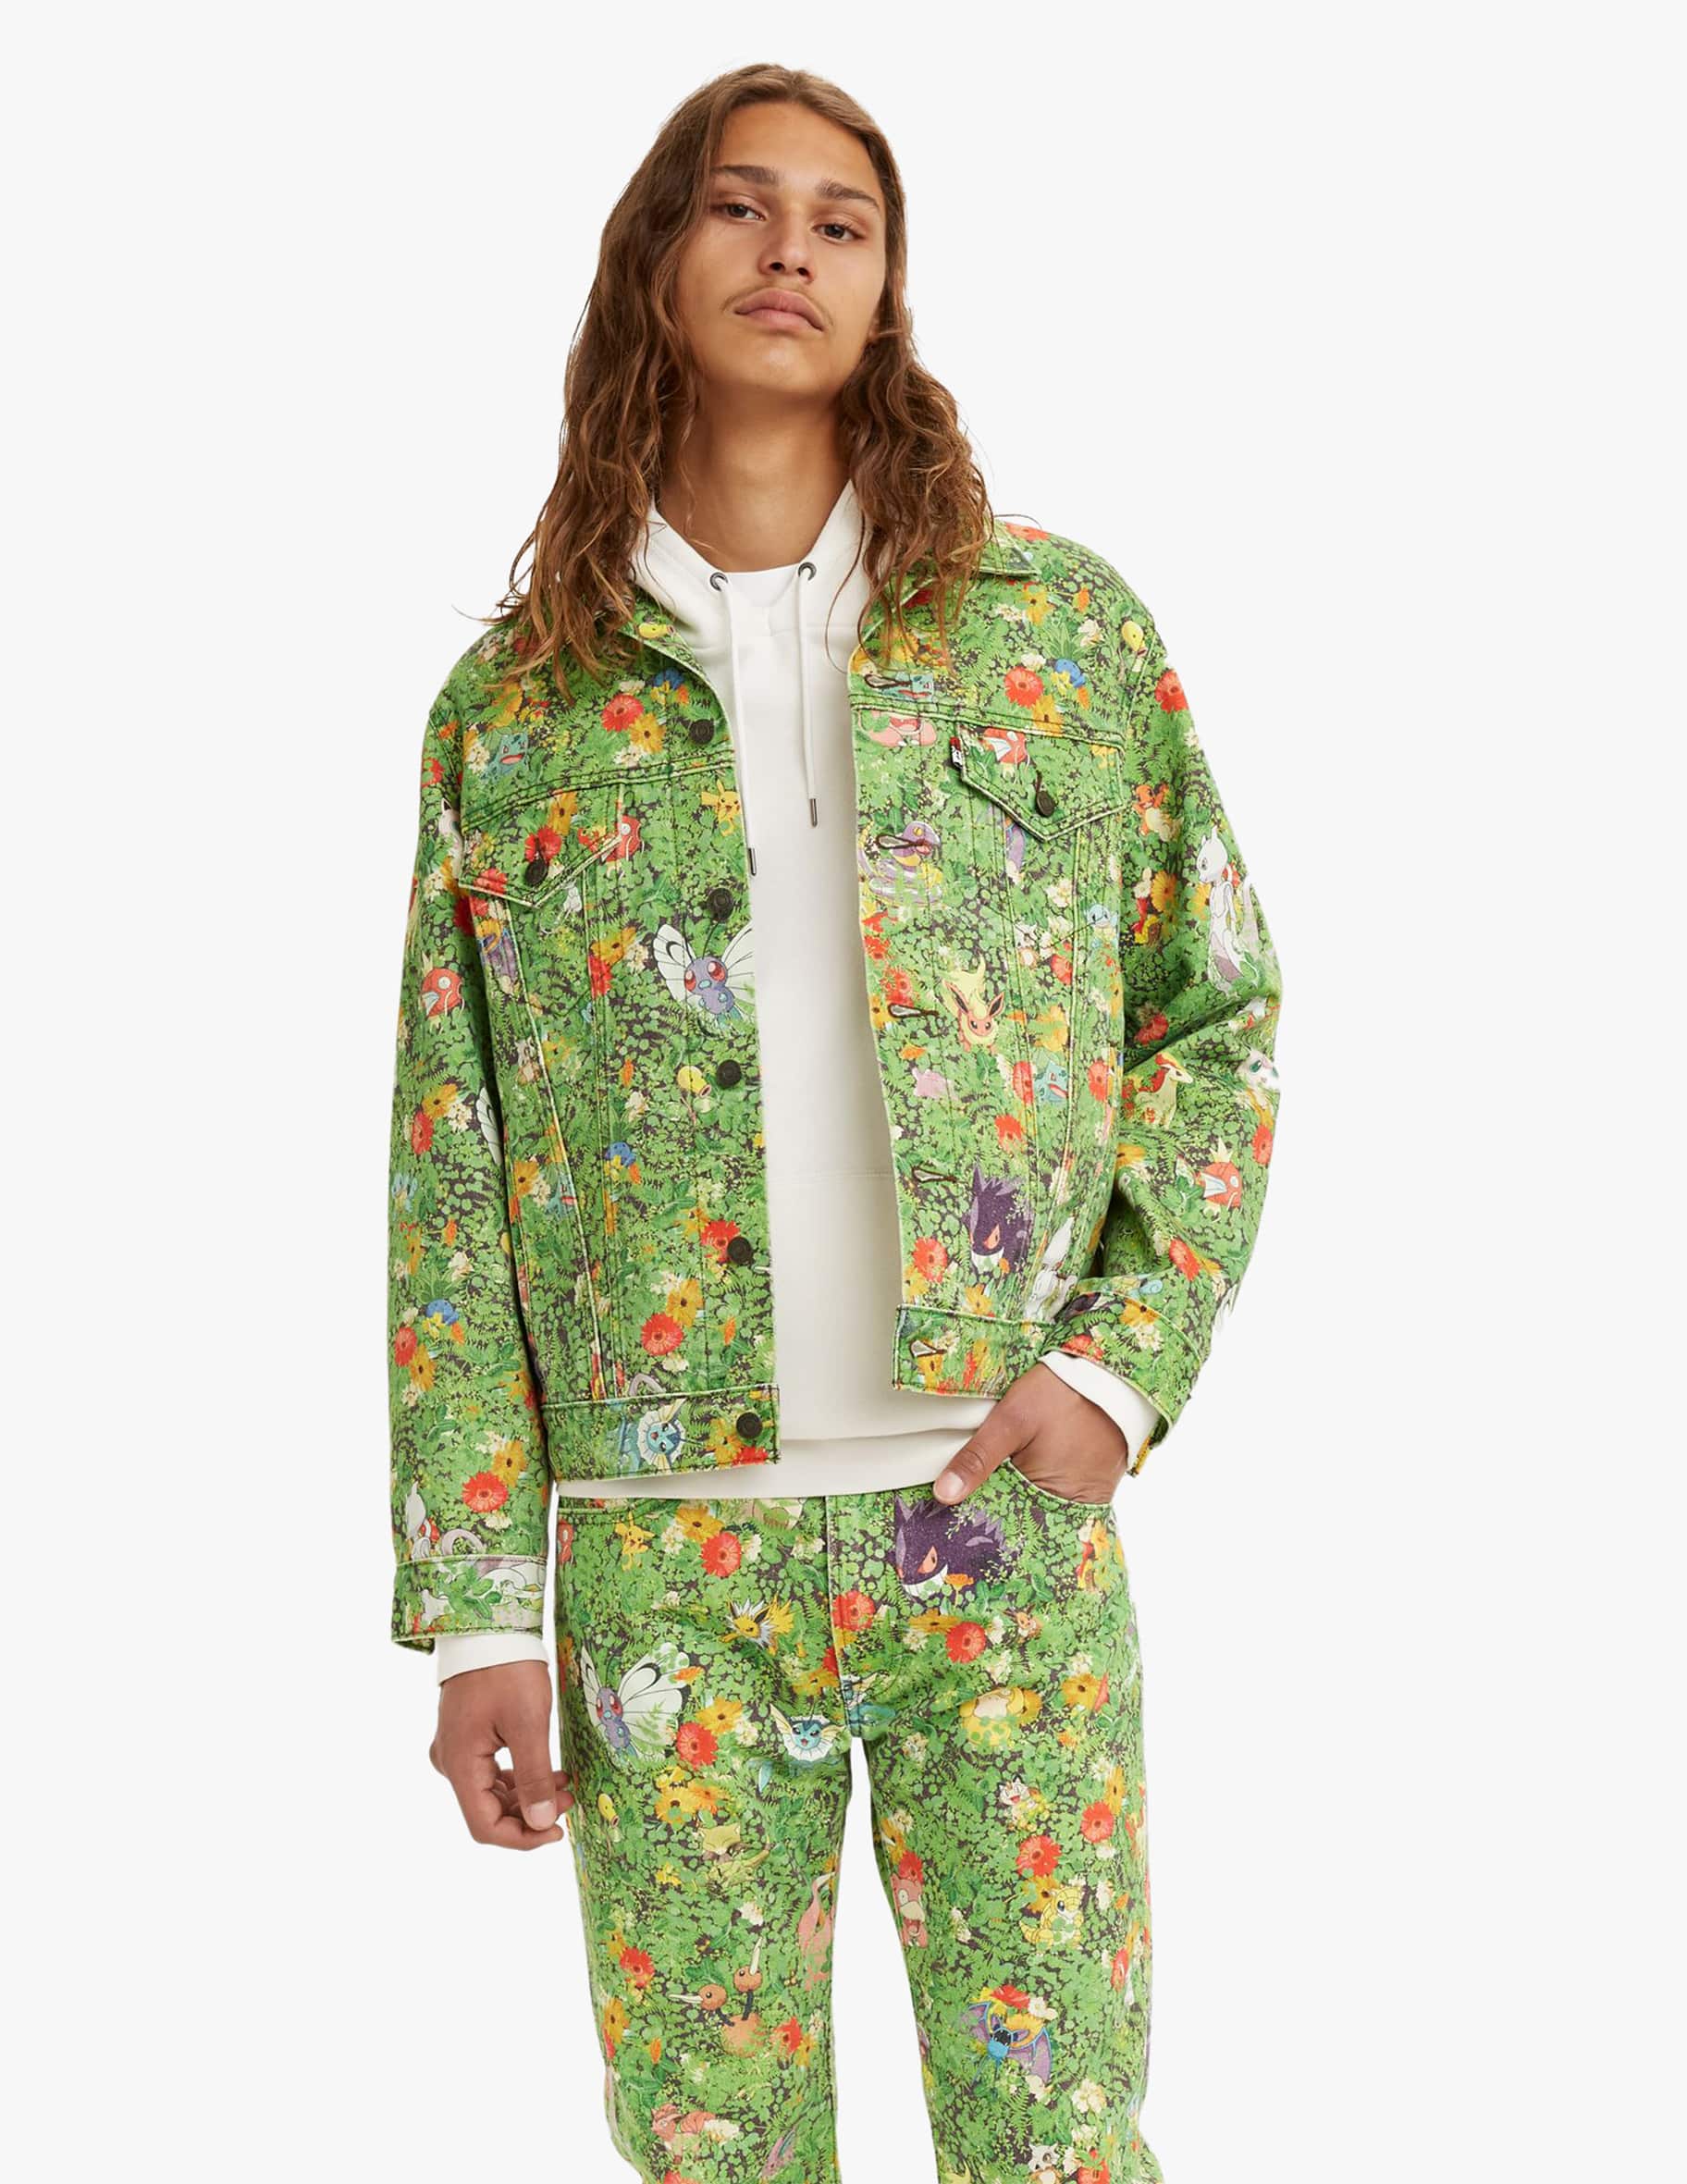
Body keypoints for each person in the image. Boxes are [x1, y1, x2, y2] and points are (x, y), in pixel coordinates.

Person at [386, 64, 1283, 2184]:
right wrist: (481, 1603)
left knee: (1059, 2139)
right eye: (739, 204)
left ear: (886, 292)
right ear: (656, 259)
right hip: (663, 1557)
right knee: (715, 2149)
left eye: (843, 220)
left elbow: (1215, 1016)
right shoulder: (520, 703)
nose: (791, 247)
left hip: (1001, 1520)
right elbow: (453, 1168)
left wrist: (1117, 1365)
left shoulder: (1057, 640)